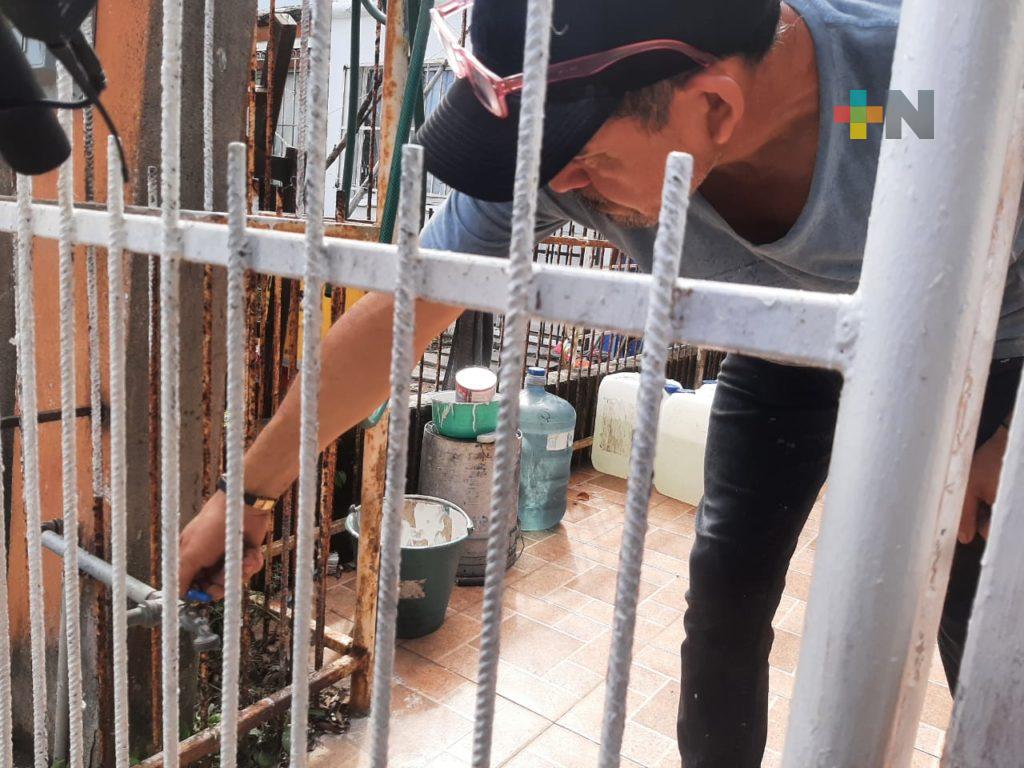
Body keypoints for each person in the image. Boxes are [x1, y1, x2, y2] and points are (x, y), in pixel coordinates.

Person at [179, 0, 1024, 764]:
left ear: (716, 108)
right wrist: (247, 491)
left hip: (983, 355)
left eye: (579, 158)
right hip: (781, 350)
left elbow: (901, 130)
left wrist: (1008, 438)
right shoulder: (554, 161)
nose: (556, 188)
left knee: (977, 606)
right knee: (725, 603)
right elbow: (404, 310)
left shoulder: (899, 102)